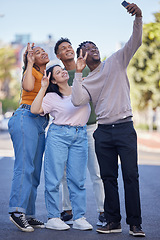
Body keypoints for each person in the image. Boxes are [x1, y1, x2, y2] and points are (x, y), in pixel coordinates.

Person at [71, 3, 145, 237]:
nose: (93, 48)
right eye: (86, 48)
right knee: (108, 178)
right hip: (102, 132)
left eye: (94, 46)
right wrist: (78, 72)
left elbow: (136, 41)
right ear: (81, 56)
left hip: (124, 127)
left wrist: (138, 17)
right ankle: (113, 222)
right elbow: (77, 100)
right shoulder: (85, 79)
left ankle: (135, 224)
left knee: (131, 176)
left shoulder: (116, 61)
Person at [30, 65, 93, 231]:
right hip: (59, 135)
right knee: (54, 178)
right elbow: (35, 109)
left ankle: (79, 217)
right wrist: (43, 87)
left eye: (62, 69)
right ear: (53, 80)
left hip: (80, 135)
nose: (63, 72)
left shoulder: (78, 88)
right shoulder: (51, 96)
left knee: (78, 180)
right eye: (58, 72)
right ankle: (53, 217)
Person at [54, 37, 105, 226]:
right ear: (58, 55)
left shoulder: (86, 69)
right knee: (67, 174)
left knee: (97, 172)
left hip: (91, 128)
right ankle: (67, 209)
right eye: (63, 48)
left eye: (69, 47)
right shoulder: (57, 74)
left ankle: (103, 211)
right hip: (68, 130)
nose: (67, 49)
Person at [8, 43, 50, 232]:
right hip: (26, 117)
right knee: (25, 166)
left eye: (43, 51)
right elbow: (27, 87)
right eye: (37, 52)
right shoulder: (31, 72)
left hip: (40, 122)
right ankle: (17, 211)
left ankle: (29, 214)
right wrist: (28, 63)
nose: (42, 53)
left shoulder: (47, 75)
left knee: (34, 171)